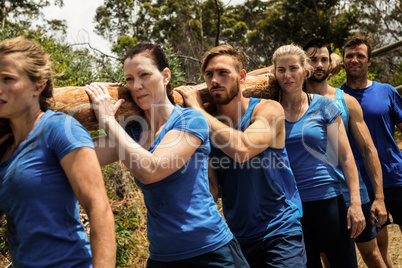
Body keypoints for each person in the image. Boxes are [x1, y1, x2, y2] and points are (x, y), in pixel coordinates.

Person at [85, 43, 249, 268]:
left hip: (211, 253)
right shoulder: (131, 132)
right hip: (162, 258)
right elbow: (79, 157)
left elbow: (151, 170)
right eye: (129, 79)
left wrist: (108, 121)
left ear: (165, 76)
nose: (137, 86)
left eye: (144, 75)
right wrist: (92, 94)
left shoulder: (190, 120)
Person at [176, 44, 306, 267]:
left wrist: (197, 111)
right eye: (209, 75)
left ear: (242, 76)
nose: (214, 80)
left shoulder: (268, 109)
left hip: (280, 230)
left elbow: (243, 150)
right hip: (237, 237)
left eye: (223, 73)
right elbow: (213, 188)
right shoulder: (208, 125)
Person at [0, 37, 116, 267]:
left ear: (38, 85)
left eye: (8, 79)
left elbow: (99, 208)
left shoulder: (60, 129)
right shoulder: (5, 148)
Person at [272, 44, 366, 267]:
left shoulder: (323, 105)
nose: (287, 75)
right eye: (281, 69)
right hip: (291, 209)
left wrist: (355, 203)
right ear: (274, 73)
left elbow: (345, 157)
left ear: (305, 71)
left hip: (329, 202)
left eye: (293, 68)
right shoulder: (268, 110)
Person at [303, 37, 387, 268]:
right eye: (312, 60)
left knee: (372, 255)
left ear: (331, 64)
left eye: (324, 60)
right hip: (318, 197)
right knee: (329, 258)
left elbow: (368, 150)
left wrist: (378, 198)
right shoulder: (291, 101)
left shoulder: (346, 101)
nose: (319, 65)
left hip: (353, 193)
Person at [340, 36, 402, 268]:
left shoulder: (386, 91)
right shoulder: (336, 98)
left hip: (396, 176)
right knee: (379, 249)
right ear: (343, 62)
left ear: (369, 61)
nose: (355, 60)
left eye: (360, 56)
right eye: (350, 56)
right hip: (362, 186)